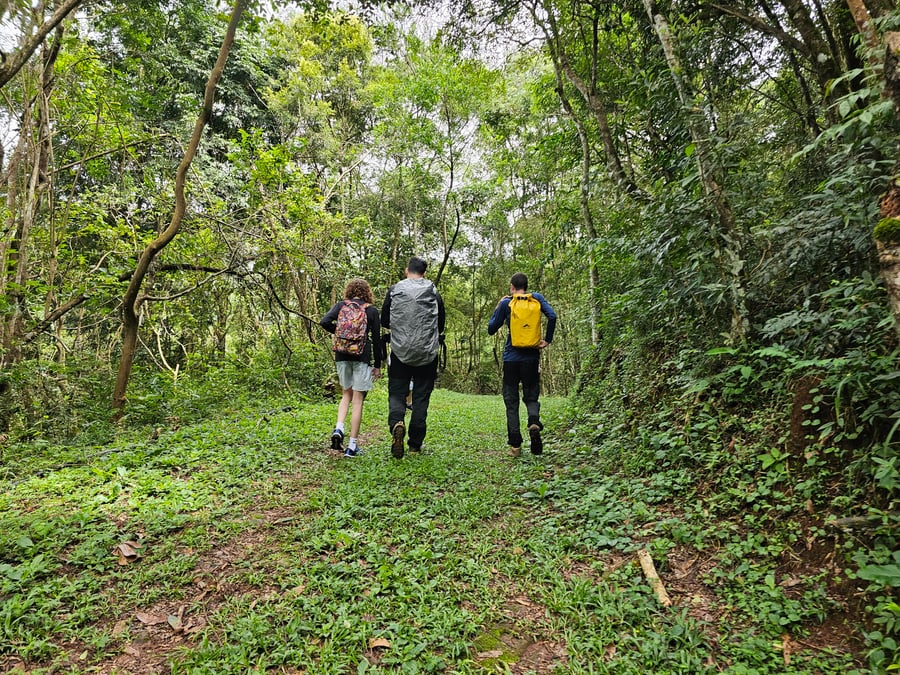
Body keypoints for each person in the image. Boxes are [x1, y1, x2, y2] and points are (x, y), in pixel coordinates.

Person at [381, 257, 445, 458]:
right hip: (427, 354)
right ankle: (415, 446)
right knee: (421, 399)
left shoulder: (394, 290)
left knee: (397, 392)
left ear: (406, 270)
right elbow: (440, 323)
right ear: (424, 273)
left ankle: (397, 423)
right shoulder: (433, 292)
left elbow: (385, 320)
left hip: (400, 352)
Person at [487, 272, 557, 457]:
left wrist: (498, 307)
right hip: (531, 359)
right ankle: (533, 421)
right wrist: (547, 340)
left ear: (512, 286)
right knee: (531, 397)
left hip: (511, 359)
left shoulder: (506, 303)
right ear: (526, 286)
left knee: (511, 403)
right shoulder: (537, 298)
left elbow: (491, 329)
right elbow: (553, 316)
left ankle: (516, 447)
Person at [320, 278, 382, 457]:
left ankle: (339, 428)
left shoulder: (341, 306)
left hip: (341, 355)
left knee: (346, 394)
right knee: (358, 400)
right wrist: (377, 365)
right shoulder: (371, 310)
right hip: (362, 356)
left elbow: (324, 321)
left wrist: (340, 333)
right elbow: (377, 340)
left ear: (349, 291)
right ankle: (352, 446)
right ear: (367, 293)